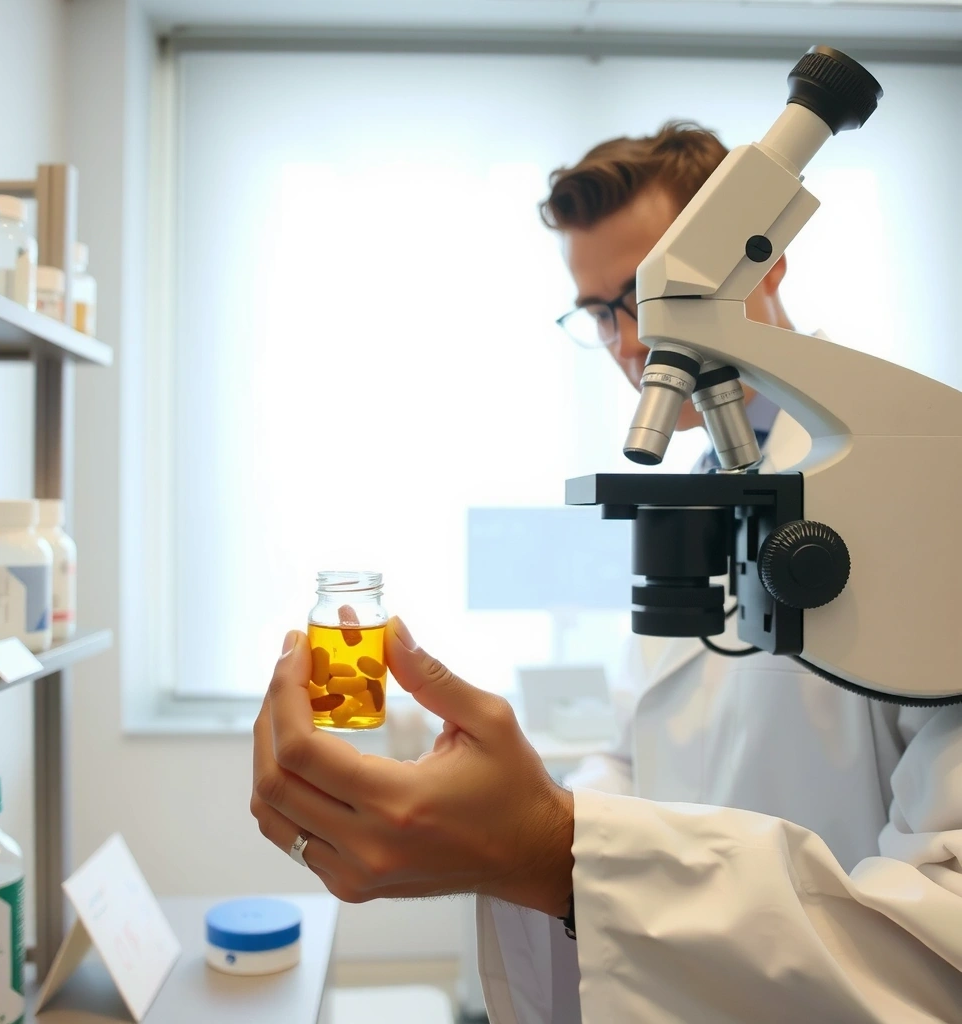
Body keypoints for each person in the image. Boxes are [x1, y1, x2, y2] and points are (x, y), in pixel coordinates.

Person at [251, 123, 962, 1023]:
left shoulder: (922, 500)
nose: (630, 344)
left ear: (768, 262)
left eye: (648, 298)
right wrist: (508, 815)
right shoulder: (706, 500)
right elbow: (637, 754)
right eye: (600, 311)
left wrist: (559, 849)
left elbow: (942, 940)